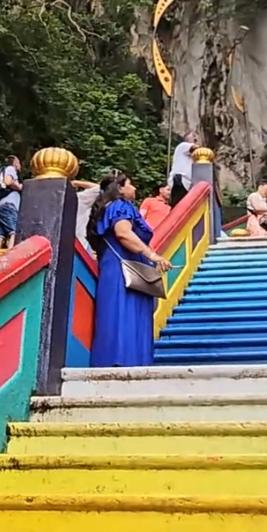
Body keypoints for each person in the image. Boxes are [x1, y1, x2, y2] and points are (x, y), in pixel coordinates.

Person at [88, 173, 172, 368]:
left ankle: (111, 361)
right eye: (130, 184)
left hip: (112, 267)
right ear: (120, 189)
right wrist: (152, 255)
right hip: (127, 269)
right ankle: (128, 362)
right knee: (127, 315)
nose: (134, 188)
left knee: (113, 316)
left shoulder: (104, 209)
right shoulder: (121, 206)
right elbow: (123, 233)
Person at [0, 155, 23, 250]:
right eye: (18, 162)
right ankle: (11, 254)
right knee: (14, 232)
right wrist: (19, 187)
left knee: (0, 237)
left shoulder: (3, 171)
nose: (19, 165)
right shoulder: (10, 169)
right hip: (8, 207)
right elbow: (8, 181)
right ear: (14, 163)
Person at [168, 132, 199, 208]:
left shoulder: (190, 157)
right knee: (179, 206)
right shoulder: (183, 146)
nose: (196, 139)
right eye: (194, 136)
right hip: (180, 180)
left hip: (186, 182)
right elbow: (196, 148)